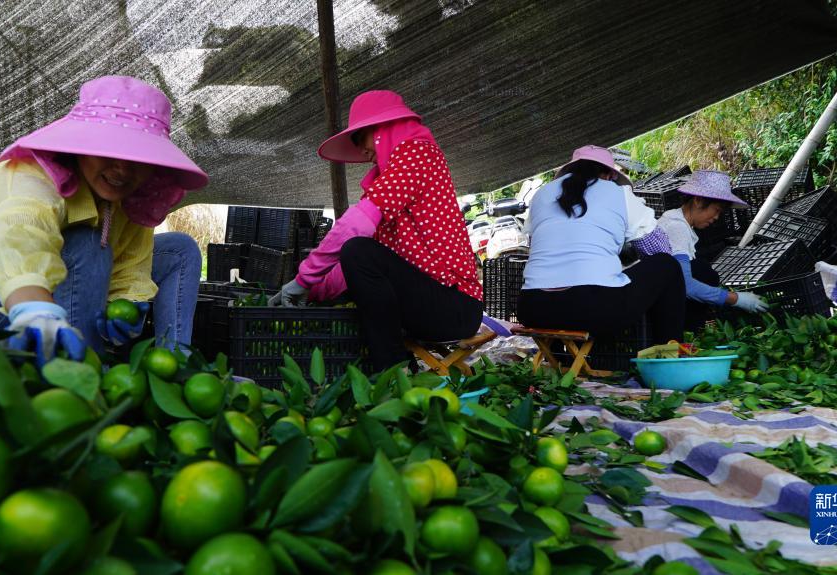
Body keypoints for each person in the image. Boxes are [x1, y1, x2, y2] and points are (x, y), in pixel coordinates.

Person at [0, 76, 207, 364]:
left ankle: (176, 363)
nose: (122, 169)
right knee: (87, 242)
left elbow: (131, 261)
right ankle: (78, 370)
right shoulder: (31, 177)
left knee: (180, 250)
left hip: (61, 285)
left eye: (139, 158)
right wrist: (34, 308)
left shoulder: (128, 196)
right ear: (81, 145)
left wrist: (128, 301)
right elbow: (22, 237)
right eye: (109, 149)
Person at [269, 90, 483, 371]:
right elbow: (357, 265)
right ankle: (396, 365)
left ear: (382, 129)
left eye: (361, 138)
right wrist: (313, 290)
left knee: (357, 250)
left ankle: (394, 369)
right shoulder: (391, 181)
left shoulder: (418, 153)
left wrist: (304, 278)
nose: (362, 150)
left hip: (454, 305)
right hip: (428, 299)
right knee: (358, 254)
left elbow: (354, 235)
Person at [517, 145, 686, 344]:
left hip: (533, 308)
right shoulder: (618, 193)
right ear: (608, 174)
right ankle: (669, 352)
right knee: (668, 266)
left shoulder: (541, 195)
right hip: (593, 307)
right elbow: (658, 249)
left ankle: (564, 361)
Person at [657, 170, 768, 330]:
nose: (717, 217)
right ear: (698, 200)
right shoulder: (677, 227)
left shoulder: (676, 221)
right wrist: (736, 299)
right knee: (702, 271)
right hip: (662, 306)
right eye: (716, 210)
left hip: (664, 297)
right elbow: (686, 285)